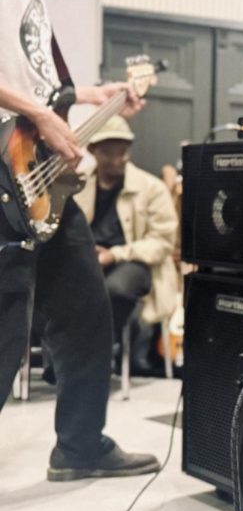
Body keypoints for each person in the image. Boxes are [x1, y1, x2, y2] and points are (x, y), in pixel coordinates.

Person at [0, 0, 158, 480]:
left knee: (87, 310)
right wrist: (38, 114)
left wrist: (80, 97)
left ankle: (80, 446)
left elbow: (30, 78)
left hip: (37, 176)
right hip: (5, 172)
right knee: (6, 327)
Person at [76, 115, 179, 373]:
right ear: (93, 151)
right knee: (60, 286)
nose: (118, 159)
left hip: (135, 261)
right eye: (109, 153)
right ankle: (66, 357)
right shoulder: (78, 185)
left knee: (116, 289)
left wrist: (114, 254)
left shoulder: (151, 188)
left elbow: (163, 242)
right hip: (88, 259)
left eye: (122, 152)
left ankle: (93, 355)